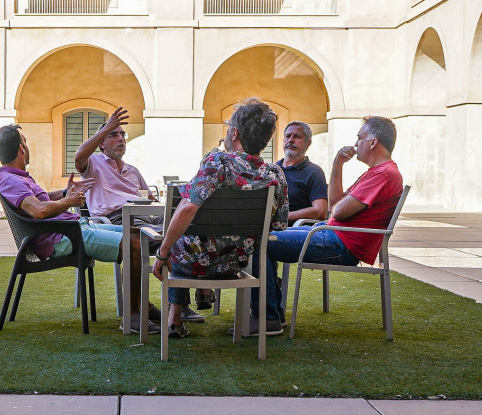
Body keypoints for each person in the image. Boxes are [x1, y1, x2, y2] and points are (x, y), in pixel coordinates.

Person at [0, 124, 159, 334]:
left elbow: (41, 199)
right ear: (21, 148)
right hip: (63, 237)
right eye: (25, 142)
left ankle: (143, 306)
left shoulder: (19, 177)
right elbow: (39, 211)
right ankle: (132, 316)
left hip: (74, 228)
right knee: (134, 244)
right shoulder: (11, 181)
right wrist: (69, 200)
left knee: (141, 235)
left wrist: (65, 193)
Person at [250, 116, 404, 335]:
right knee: (268, 235)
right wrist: (337, 164)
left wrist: (336, 210)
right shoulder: (377, 172)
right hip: (333, 235)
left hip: (341, 243)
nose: (356, 143)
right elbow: (335, 205)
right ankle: (272, 313)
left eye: (359, 138)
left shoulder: (383, 174)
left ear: (373, 142)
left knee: (260, 241)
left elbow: (337, 211)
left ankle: (268, 318)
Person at [150, 98, 288, 338]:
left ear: (234, 133)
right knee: (189, 241)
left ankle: (175, 317)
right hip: (236, 264)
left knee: (174, 243)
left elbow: (186, 209)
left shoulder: (219, 162)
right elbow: (278, 225)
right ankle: (200, 297)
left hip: (194, 263)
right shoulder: (275, 173)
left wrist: (162, 252)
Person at [74, 107, 203, 324]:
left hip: (146, 218)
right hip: (114, 220)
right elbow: (78, 156)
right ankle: (146, 309)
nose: (120, 138)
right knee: (167, 234)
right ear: (101, 143)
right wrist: (107, 126)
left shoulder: (133, 170)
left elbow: (149, 198)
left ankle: (179, 305)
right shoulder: (93, 164)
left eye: (122, 134)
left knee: (185, 226)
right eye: (113, 135)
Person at [278, 121, 328, 223]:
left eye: (297, 136)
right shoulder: (272, 169)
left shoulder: (314, 172)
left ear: (308, 143)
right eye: (288, 136)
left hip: (295, 231)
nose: (291, 140)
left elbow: (320, 211)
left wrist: (284, 217)